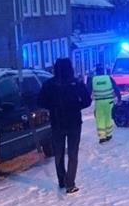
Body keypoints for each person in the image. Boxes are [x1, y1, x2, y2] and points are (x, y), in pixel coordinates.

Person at [38, 58, 91, 194]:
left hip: (57, 123)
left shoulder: (49, 84)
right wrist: (76, 106)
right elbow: (87, 101)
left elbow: (41, 101)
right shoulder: (76, 83)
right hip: (74, 123)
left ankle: (62, 180)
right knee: (73, 153)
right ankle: (70, 183)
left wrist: (52, 107)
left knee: (59, 153)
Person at [89, 64, 121, 143]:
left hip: (99, 102)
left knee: (100, 119)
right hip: (109, 101)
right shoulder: (108, 78)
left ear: (96, 71)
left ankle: (102, 137)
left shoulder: (93, 79)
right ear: (103, 71)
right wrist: (119, 98)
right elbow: (116, 89)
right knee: (108, 117)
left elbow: (88, 91)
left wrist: (87, 101)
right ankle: (109, 135)